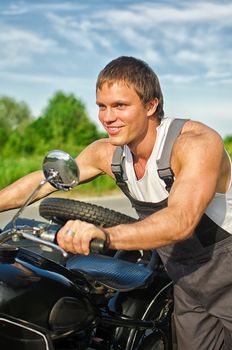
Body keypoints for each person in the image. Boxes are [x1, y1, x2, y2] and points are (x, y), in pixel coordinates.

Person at [0, 56, 232, 349]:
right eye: (102, 106)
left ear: (151, 105)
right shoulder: (109, 153)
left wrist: (107, 236)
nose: (107, 117)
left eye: (120, 105)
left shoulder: (194, 143)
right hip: (186, 281)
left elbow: (181, 220)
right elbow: (46, 180)